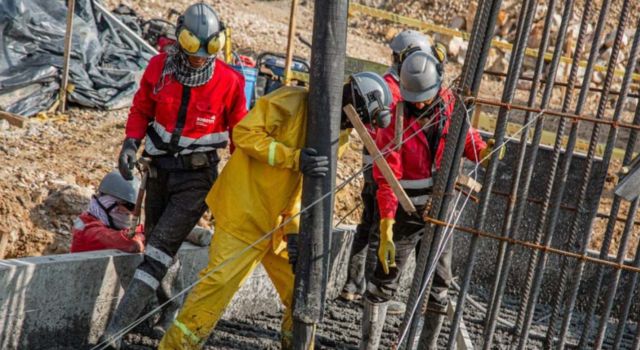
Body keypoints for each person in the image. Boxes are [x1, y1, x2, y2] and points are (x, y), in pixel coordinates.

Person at [158, 72, 392, 350]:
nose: (352, 127)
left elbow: (307, 187)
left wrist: (294, 231)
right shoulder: (292, 101)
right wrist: (292, 157)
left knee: (303, 292)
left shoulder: (338, 138)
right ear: (353, 103)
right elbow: (244, 133)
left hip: (279, 227)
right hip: (244, 212)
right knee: (217, 285)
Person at [101, 3, 247, 348]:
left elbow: (242, 137)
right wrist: (129, 144)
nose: (199, 58)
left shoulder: (230, 82)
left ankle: (114, 332)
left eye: (208, 51)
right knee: (157, 244)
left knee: (157, 251)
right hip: (158, 171)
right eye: (193, 50)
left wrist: (239, 187)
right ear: (180, 41)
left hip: (197, 179)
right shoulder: (159, 68)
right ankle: (170, 311)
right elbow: (141, 109)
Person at [360, 51, 500, 349]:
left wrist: (483, 152)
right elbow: (387, 176)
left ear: (437, 85)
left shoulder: (451, 106)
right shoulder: (394, 117)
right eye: (415, 98)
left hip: (441, 207)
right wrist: (386, 223)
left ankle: (427, 346)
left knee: (439, 285)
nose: (420, 103)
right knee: (384, 279)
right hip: (405, 211)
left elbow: (465, 137)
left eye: (424, 97)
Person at [340, 30, 445, 316]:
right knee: (378, 230)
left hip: (374, 167)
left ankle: (353, 285)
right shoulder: (397, 91)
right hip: (383, 172)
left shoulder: (388, 83)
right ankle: (367, 289)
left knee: (368, 226)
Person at [71, 171, 144, 254]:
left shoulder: (107, 222)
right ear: (109, 203)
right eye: (130, 206)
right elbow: (133, 244)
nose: (134, 212)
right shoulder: (90, 232)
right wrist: (144, 236)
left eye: (137, 207)